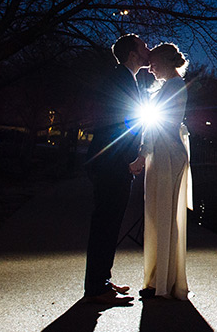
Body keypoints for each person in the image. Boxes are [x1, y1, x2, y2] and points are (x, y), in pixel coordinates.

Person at [82, 34, 149, 305]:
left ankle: (102, 281)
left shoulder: (123, 77)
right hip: (112, 165)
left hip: (110, 163)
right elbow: (120, 125)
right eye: (143, 47)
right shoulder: (120, 79)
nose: (148, 51)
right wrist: (130, 159)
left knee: (108, 224)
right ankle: (97, 289)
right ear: (132, 55)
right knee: (105, 225)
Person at [129, 42, 192, 299]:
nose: (150, 69)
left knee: (161, 218)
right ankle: (163, 280)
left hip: (165, 155)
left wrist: (142, 156)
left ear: (165, 62)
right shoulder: (175, 86)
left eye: (153, 64)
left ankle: (160, 283)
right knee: (164, 218)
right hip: (169, 153)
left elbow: (157, 124)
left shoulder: (172, 87)